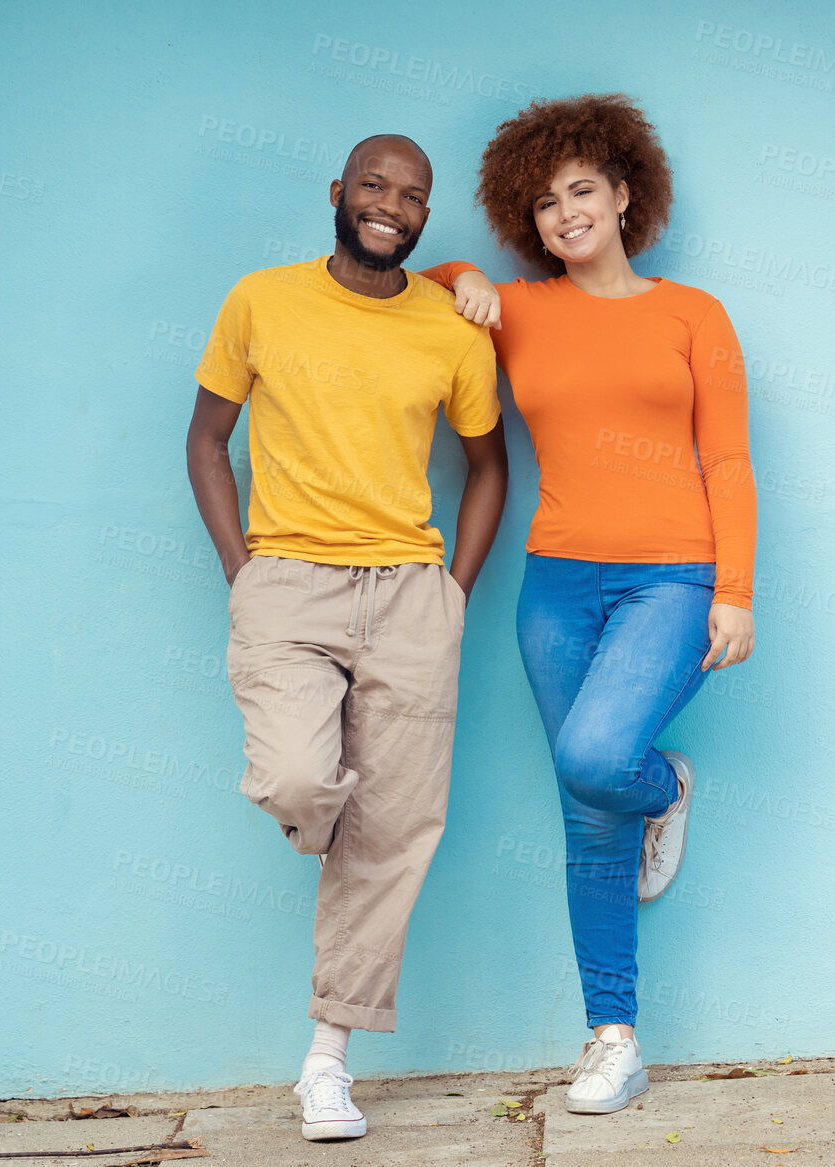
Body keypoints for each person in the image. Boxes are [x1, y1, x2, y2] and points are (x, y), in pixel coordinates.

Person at [421, 93, 757, 1115]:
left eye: (580, 190)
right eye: (541, 203)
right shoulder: (516, 309)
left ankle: (662, 787)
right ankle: (612, 1038)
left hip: (671, 576)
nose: (563, 213)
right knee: (584, 819)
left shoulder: (691, 313)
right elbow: (421, 281)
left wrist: (733, 592)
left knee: (597, 762)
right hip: (555, 584)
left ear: (622, 194)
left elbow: (728, 459)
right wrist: (466, 274)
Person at [186, 134, 508, 1141]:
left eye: (411, 196)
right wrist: (243, 574)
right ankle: (330, 829)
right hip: (286, 582)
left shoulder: (451, 331)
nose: (389, 204)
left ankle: (325, 1063)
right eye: (373, 185)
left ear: (423, 216)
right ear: (337, 193)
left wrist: (450, 593)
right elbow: (205, 439)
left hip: (409, 595)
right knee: (295, 779)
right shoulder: (259, 300)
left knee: (395, 834)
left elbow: (488, 466)